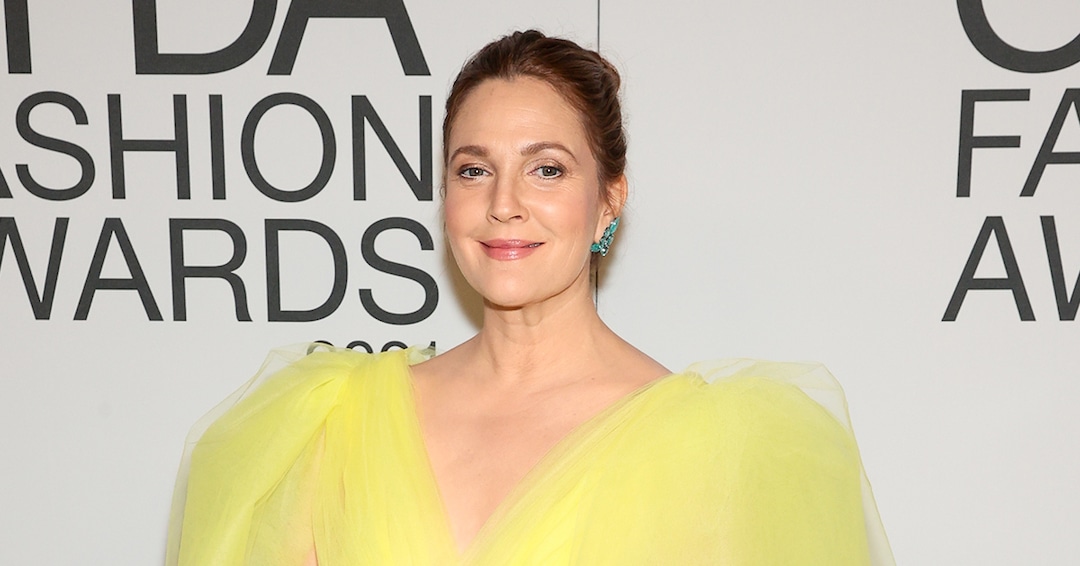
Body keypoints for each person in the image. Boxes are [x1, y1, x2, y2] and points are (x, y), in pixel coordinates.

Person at [166, 30, 893, 565]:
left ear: (608, 202)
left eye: (546, 169)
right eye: (473, 170)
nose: (504, 203)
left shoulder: (714, 449)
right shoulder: (338, 422)